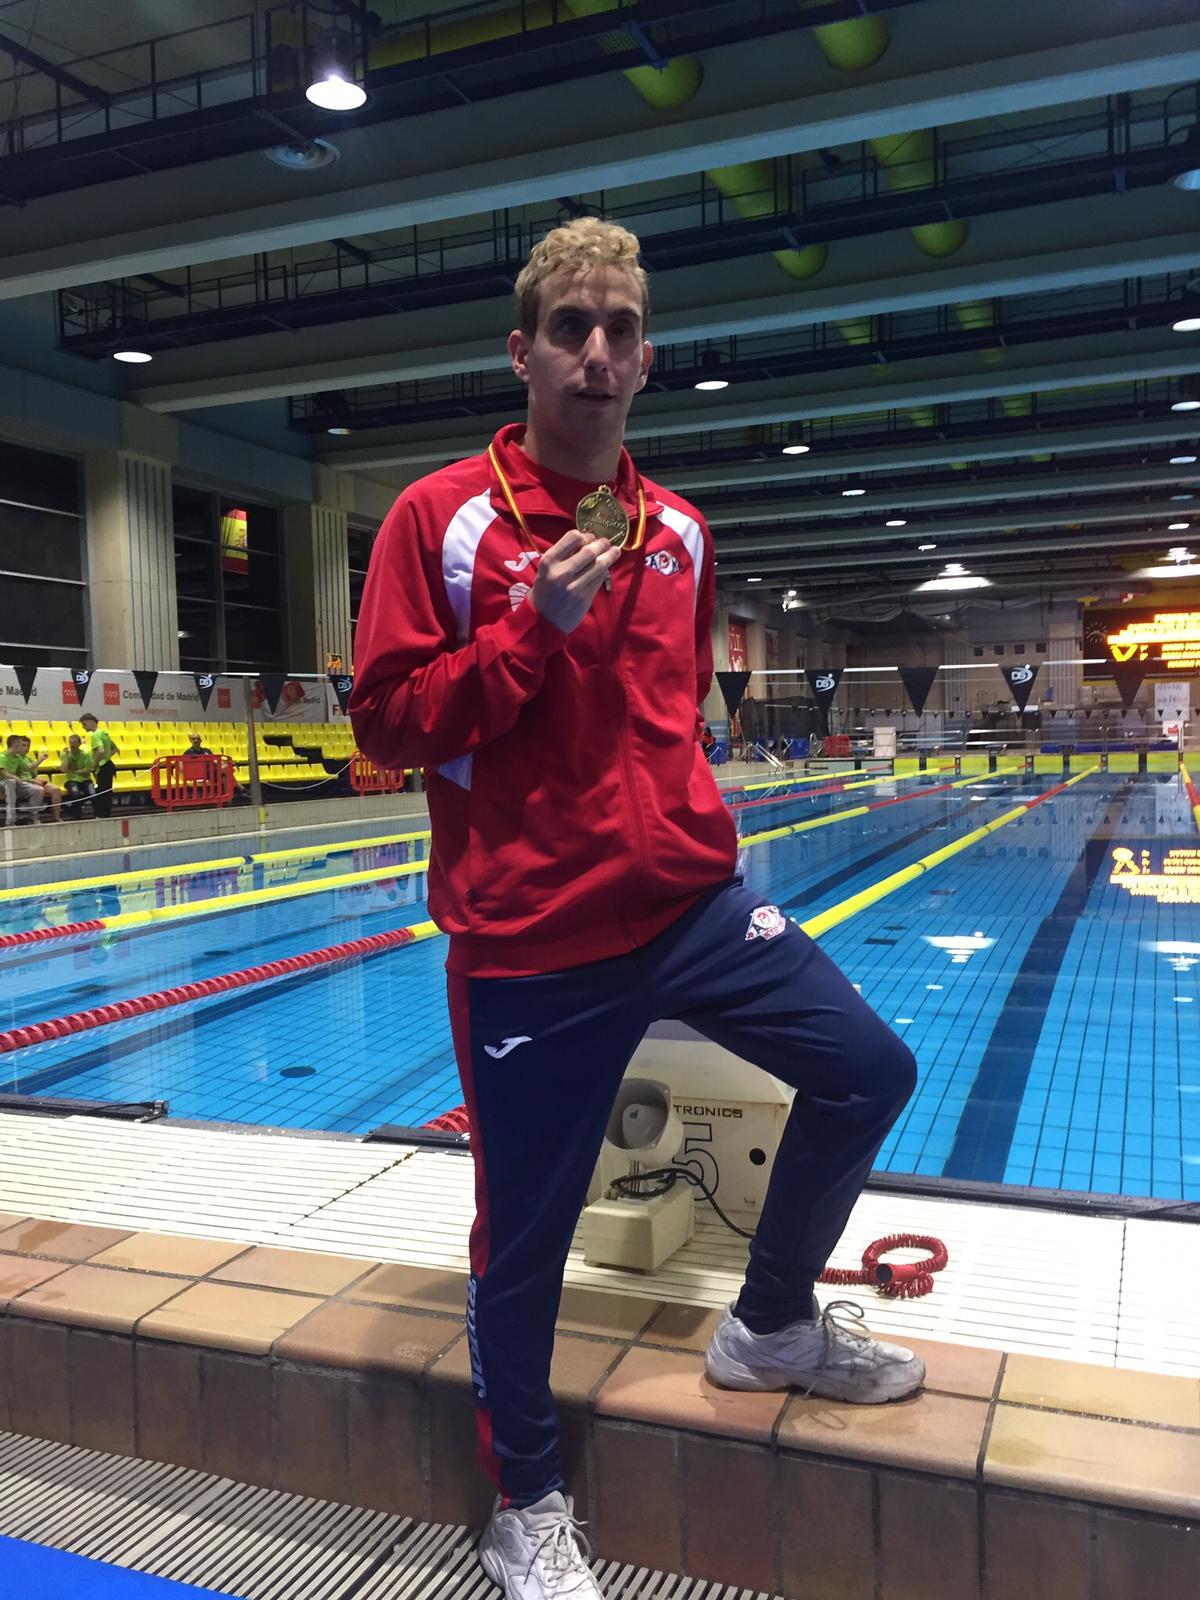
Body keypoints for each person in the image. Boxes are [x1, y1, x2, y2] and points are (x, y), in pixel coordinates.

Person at [350, 218, 921, 1600]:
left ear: (647, 360)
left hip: (688, 907)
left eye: (618, 331)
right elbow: (385, 722)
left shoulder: (678, 532)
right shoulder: (444, 520)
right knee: (526, 1236)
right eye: (570, 328)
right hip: (533, 941)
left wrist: (698, 831)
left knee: (868, 1069)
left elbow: (666, 719)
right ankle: (526, 1501)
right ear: (524, 351)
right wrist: (521, 636)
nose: (595, 353)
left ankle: (769, 1327)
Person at [1, 733, 48, 823]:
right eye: (21, 744)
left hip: (15, 783)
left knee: (37, 790)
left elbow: (28, 767)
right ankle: (10, 821)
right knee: (11, 782)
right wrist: (16, 778)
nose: (24, 747)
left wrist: (40, 759)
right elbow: (5, 775)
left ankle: (33, 817)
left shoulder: (17, 757)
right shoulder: (1, 756)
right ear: (16, 745)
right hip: (3, 783)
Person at [79, 713, 118, 819]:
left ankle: (100, 815)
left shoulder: (95, 735)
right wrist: (107, 757)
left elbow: (100, 751)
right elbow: (115, 749)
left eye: (84, 724)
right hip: (109, 765)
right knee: (107, 792)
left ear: (91, 721)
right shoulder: (104, 733)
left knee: (101, 792)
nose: (83, 727)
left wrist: (94, 764)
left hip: (103, 767)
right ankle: (106, 814)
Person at [59, 733, 96, 814]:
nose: (71, 745)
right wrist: (65, 757)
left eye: (74, 743)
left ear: (79, 743)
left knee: (93, 794)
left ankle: (70, 807)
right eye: (70, 743)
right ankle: (76, 815)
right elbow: (63, 769)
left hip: (85, 779)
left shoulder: (86, 754)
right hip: (71, 780)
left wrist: (73, 771)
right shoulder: (65, 754)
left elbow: (87, 770)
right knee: (75, 793)